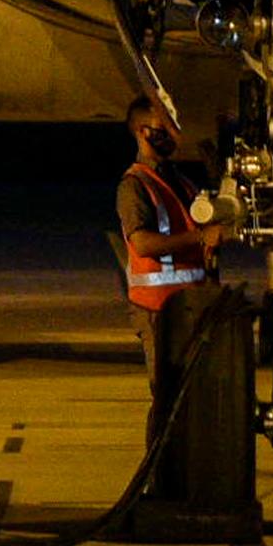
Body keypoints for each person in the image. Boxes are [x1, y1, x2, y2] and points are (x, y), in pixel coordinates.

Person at [114, 94, 222, 384]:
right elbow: (143, 244)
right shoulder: (134, 185)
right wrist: (200, 237)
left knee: (195, 394)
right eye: (162, 127)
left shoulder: (180, 182)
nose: (170, 134)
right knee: (168, 396)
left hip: (189, 305)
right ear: (141, 131)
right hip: (158, 310)